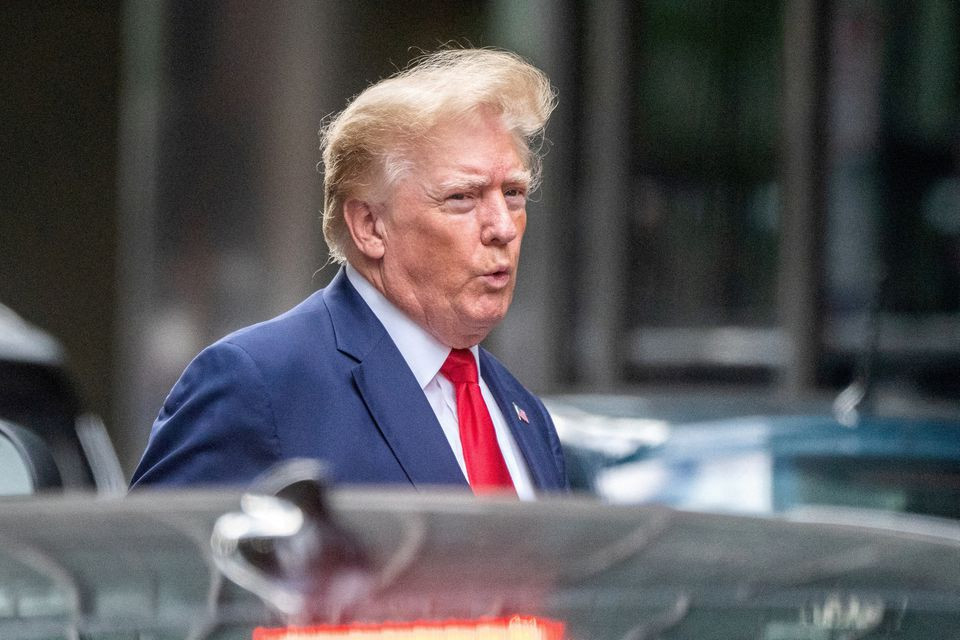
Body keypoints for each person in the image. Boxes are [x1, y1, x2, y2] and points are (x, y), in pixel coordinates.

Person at [130, 48, 568, 498]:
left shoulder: (523, 412)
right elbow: (152, 563)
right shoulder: (258, 384)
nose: (501, 226)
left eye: (513, 193)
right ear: (369, 226)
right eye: (462, 197)